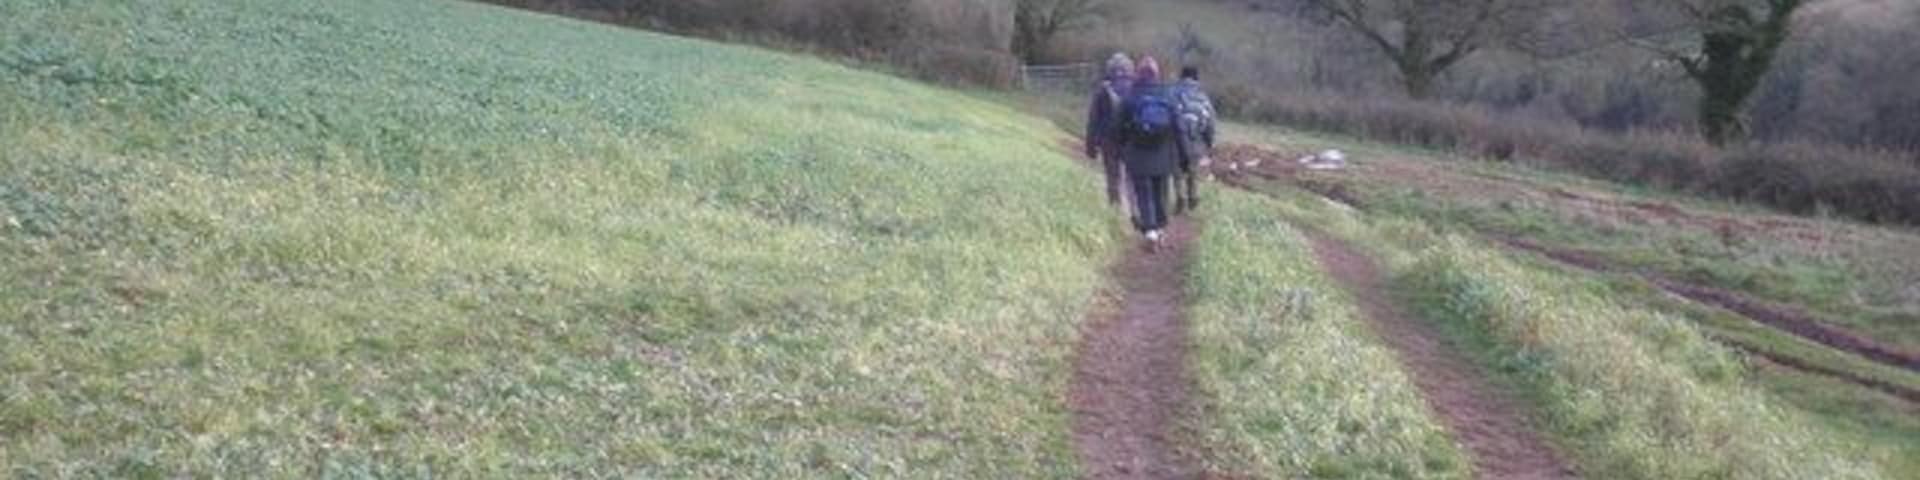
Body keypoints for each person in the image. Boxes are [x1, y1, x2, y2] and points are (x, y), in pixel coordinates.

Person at [1116, 56, 1189, 251]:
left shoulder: (1130, 97)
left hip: (1137, 154)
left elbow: (1118, 129)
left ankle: (1150, 233)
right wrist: (1184, 156)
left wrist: (1122, 149)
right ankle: (1160, 229)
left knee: (1144, 193)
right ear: (1157, 74)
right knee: (1161, 193)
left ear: (1138, 74)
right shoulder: (1167, 95)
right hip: (1163, 155)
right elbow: (1179, 128)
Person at [1085, 53, 1136, 214]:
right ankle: (1135, 210)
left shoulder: (1102, 90)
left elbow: (1094, 119)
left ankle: (1116, 211)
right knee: (1132, 176)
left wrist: (1091, 145)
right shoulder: (1136, 88)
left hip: (1108, 140)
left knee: (1113, 176)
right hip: (1131, 139)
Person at [1172, 66, 1217, 213]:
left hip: (1176, 136)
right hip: (1196, 137)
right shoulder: (1202, 96)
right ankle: (1192, 196)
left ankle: (1180, 195)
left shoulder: (1173, 92)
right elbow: (1210, 121)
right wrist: (1209, 142)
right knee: (1192, 168)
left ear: (1181, 77)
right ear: (1196, 78)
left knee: (1177, 169)